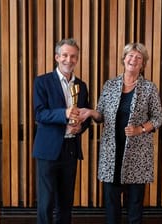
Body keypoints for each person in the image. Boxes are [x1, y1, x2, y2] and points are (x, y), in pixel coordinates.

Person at [78, 43, 162, 224]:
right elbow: (101, 115)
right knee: (111, 205)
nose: (133, 60)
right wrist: (91, 112)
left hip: (137, 156)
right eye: (130, 56)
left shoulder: (149, 88)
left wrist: (140, 129)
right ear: (124, 59)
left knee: (134, 207)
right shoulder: (110, 85)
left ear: (143, 64)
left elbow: (157, 118)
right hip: (111, 155)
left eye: (138, 58)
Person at [32, 38, 90, 224]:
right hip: (48, 150)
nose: (69, 59)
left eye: (73, 56)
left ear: (77, 59)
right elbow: (39, 114)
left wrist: (81, 127)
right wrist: (64, 113)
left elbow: (86, 115)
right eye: (65, 55)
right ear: (57, 57)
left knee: (66, 203)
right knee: (46, 203)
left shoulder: (82, 86)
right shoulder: (42, 82)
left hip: (70, 149)